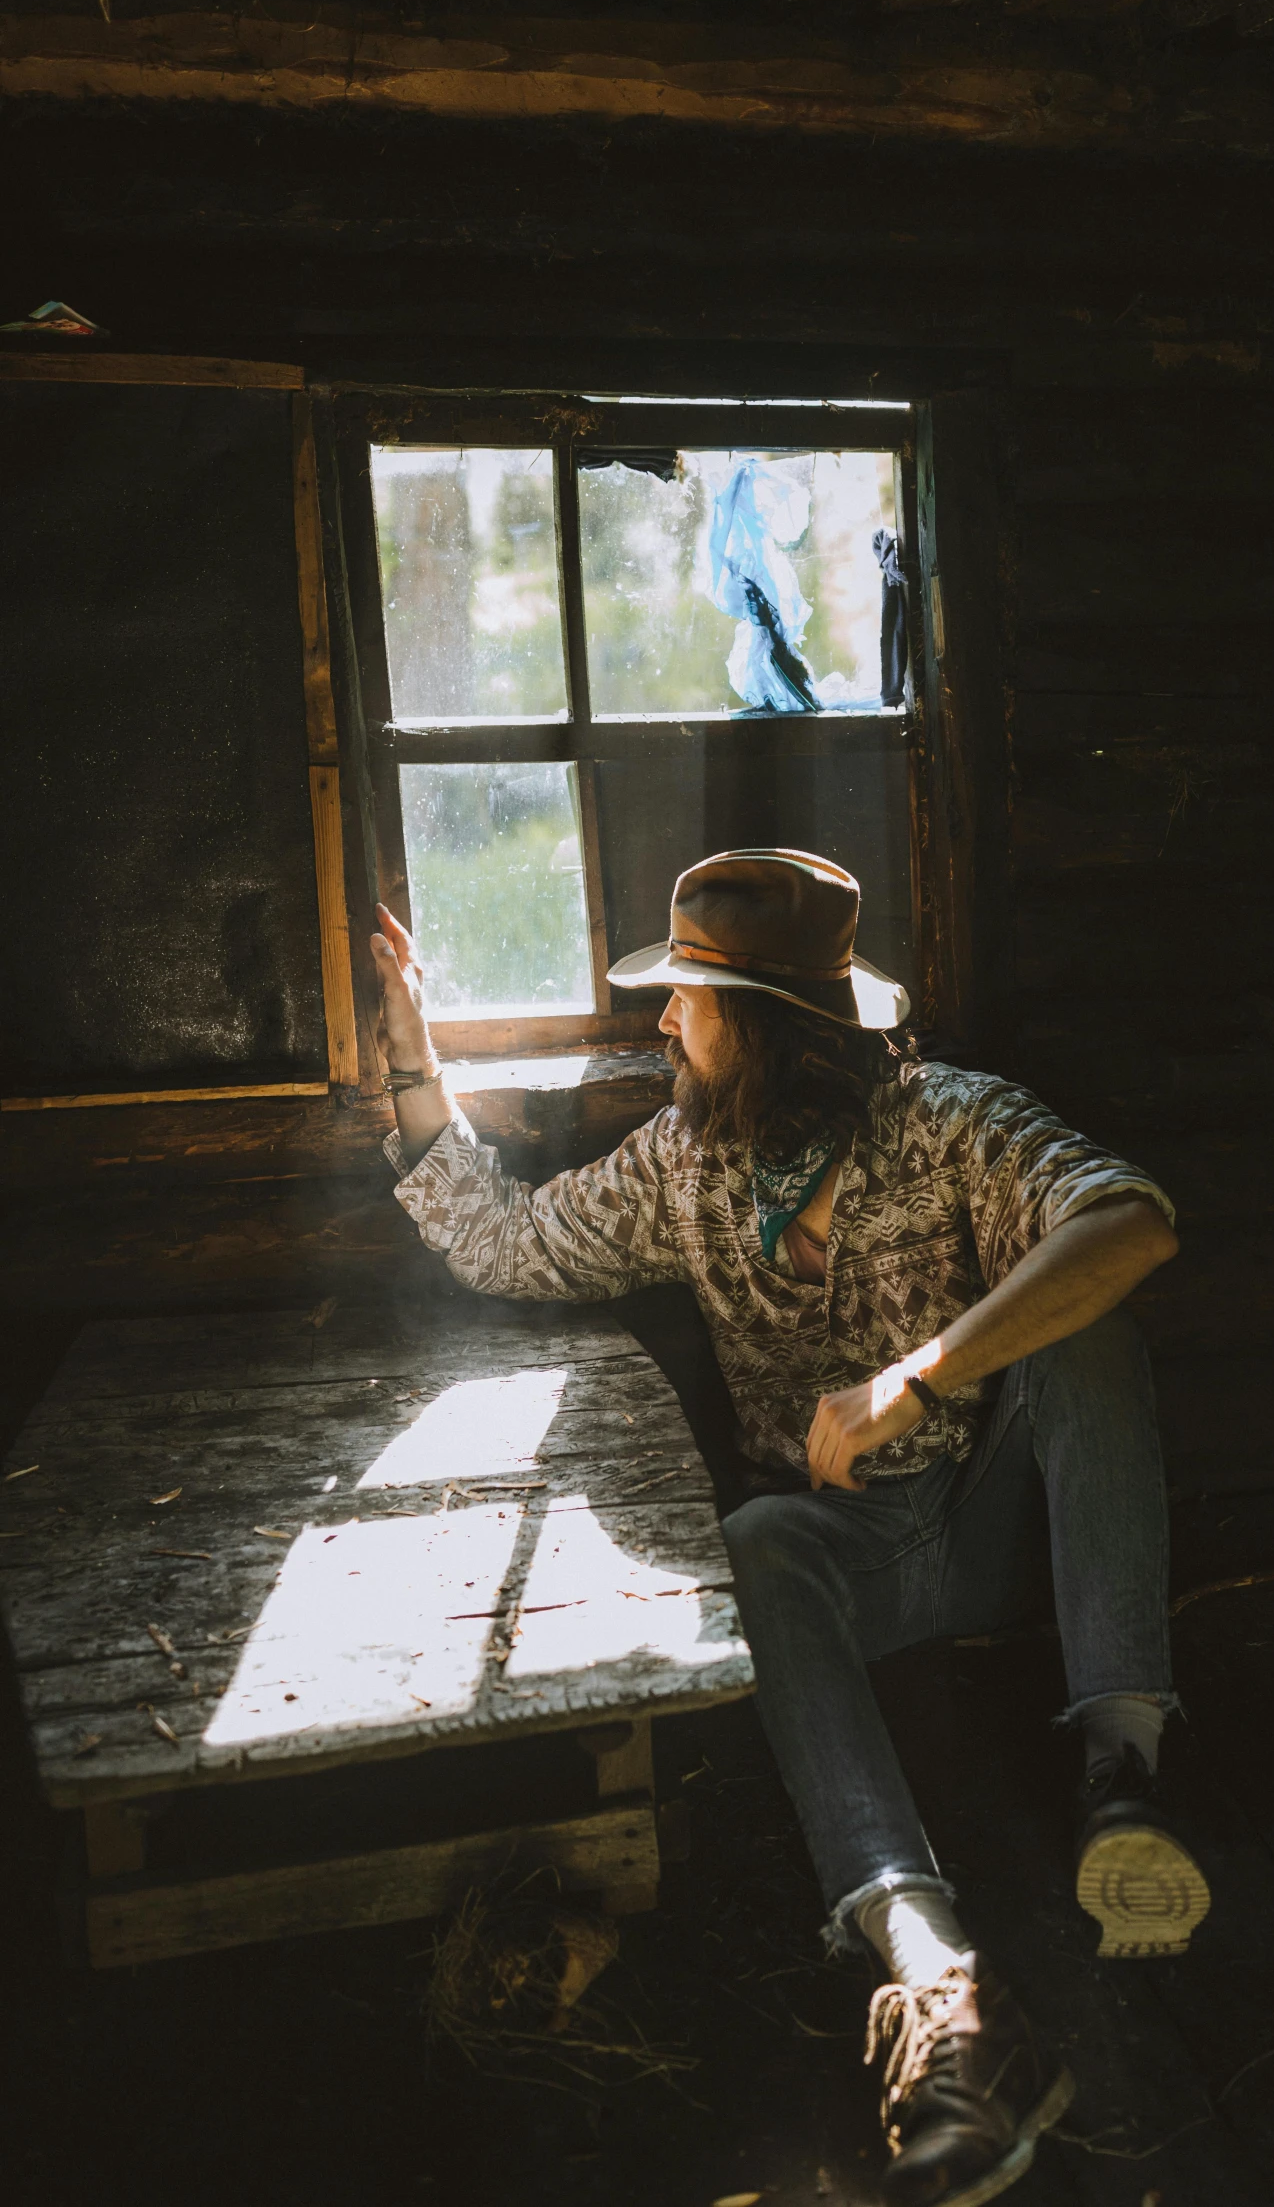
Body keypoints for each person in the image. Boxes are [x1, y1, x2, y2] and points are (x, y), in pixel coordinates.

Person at [371, 848, 1208, 2207]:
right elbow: (505, 1242)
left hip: (1003, 1523)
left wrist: (917, 1371)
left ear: (760, 1019)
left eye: (685, 998)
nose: (660, 1024)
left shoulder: (947, 1121)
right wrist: (414, 1051)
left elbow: (1131, 1220)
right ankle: (931, 1972)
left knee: (1089, 1326)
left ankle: (1122, 1772)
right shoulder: (684, 1164)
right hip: (848, 1560)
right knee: (759, 1537)